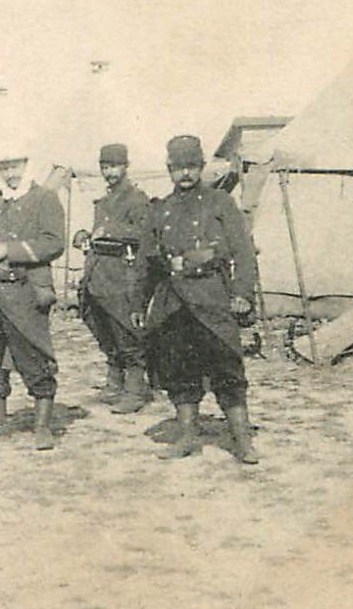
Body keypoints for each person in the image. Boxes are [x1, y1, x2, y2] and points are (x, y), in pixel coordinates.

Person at [141, 135, 261, 463]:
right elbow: (147, 262)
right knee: (179, 372)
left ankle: (242, 440)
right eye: (179, 168)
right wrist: (140, 305)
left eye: (192, 167)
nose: (186, 174)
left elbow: (244, 252)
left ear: (201, 166)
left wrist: (242, 294)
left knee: (227, 370)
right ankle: (187, 436)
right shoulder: (160, 209)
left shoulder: (220, 202)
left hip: (212, 299)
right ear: (169, 170)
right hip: (174, 303)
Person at [0, 149, 67, 450]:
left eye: (16, 166)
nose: (11, 174)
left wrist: (10, 250)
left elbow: (53, 243)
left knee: (32, 354)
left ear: (28, 165)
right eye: (5, 168)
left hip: (26, 291)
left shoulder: (44, 198)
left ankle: (42, 426)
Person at [73, 144, 154, 414]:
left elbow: (145, 233)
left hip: (122, 275)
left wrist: (110, 230)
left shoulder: (136, 198)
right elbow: (99, 232)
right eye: (105, 167)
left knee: (125, 330)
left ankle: (135, 390)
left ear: (126, 166)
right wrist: (85, 234)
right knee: (103, 329)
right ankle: (114, 384)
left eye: (114, 166)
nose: (109, 172)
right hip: (98, 274)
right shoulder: (104, 201)